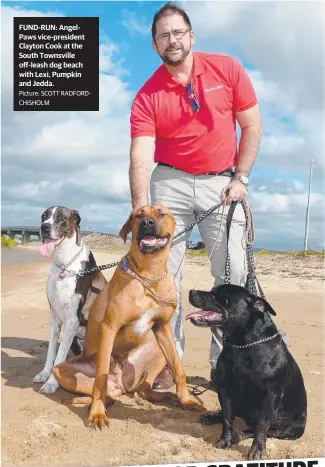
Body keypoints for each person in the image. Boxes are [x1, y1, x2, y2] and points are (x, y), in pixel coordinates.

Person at [128, 2, 262, 389]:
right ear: (155, 45)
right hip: (169, 181)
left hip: (221, 183)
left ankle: (225, 364)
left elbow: (251, 126)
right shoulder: (147, 95)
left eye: (177, 32)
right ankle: (172, 364)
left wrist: (242, 177)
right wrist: (140, 208)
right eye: (163, 35)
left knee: (234, 271)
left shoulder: (228, 69)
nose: (172, 39)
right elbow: (140, 153)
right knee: (165, 276)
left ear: (191, 35)